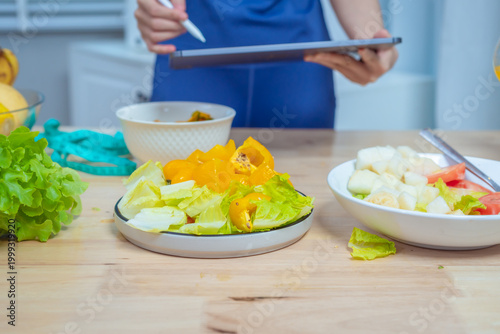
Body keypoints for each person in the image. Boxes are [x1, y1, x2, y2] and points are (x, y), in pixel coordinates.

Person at [135, 0, 398, 128]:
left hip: (299, 58)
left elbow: (369, 37)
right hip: (191, 43)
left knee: (305, 191)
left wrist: (370, 38)